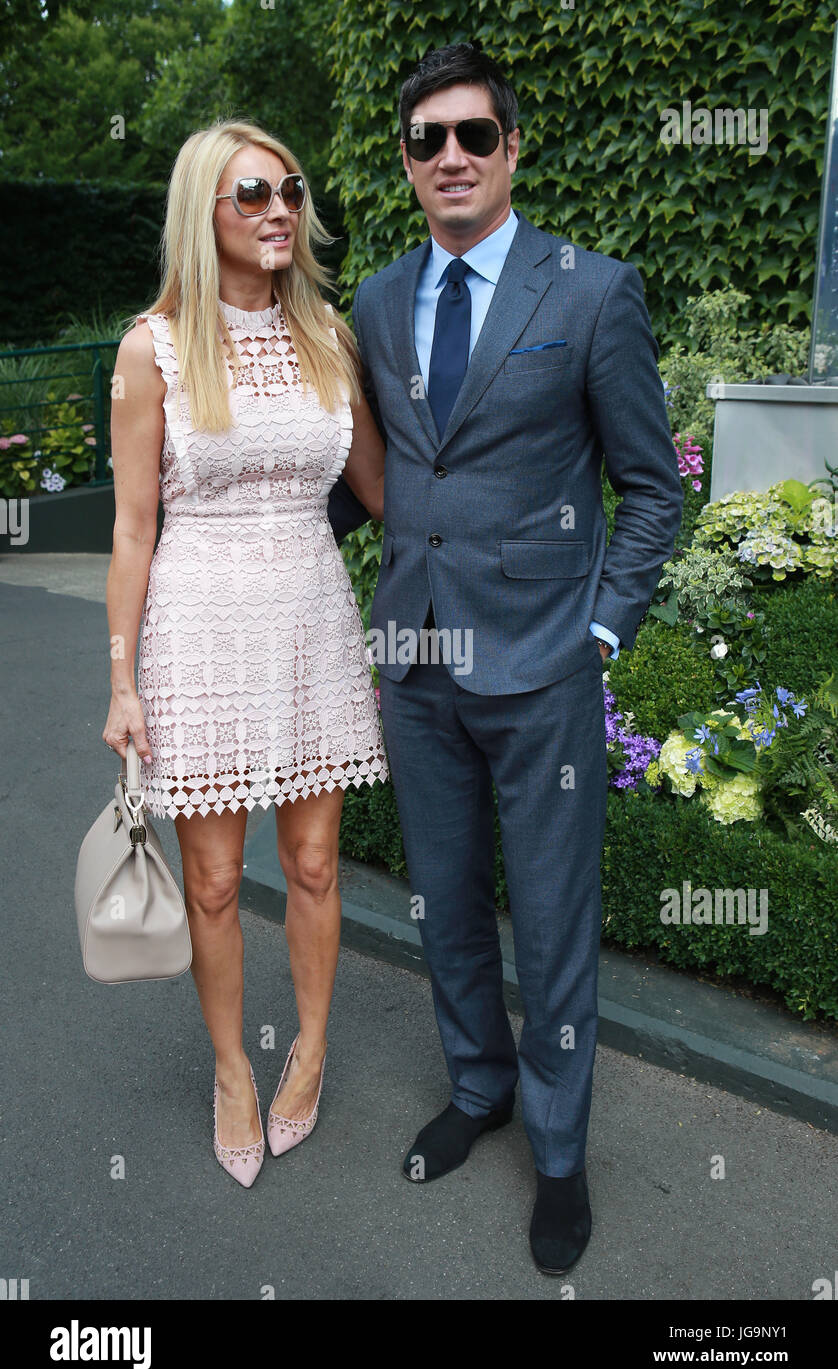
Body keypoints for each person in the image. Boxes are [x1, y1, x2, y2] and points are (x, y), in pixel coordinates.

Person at [349, 42, 684, 1272]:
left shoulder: (591, 292)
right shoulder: (379, 301)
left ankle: (556, 1151)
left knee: (548, 923)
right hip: (417, 655)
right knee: (441, 903)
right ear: (406, 159)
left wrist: (599, 631)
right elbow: (372, 470)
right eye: (428, 139)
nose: (451, 157)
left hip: (543, 663)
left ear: (511, 147)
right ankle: (479, 1086)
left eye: (472, 136)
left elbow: (649, 489)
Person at [102, 119, 389, 1188]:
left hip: (312, 617)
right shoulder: (154, 348)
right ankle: (232, 1068)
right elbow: (134, 528)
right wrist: (123, 679)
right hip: (198, 628)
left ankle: (309, 1047)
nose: (278, 209)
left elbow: (382, 494)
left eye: (289, 190)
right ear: (204, 215)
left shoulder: (329, 336)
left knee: (313, 863)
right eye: (251, 194)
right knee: (214, 884)